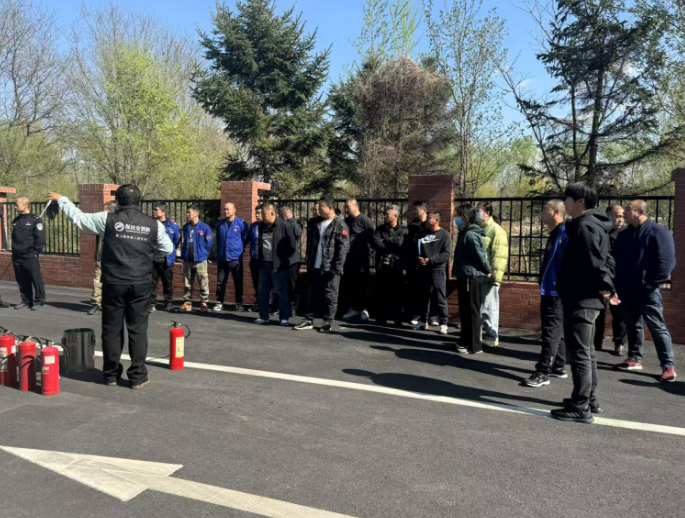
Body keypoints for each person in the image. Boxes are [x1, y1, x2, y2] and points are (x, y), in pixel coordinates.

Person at [48, 187, 173, 389]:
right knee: (138, 330)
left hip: (114, 282)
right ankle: (138, 377)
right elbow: (167, 248)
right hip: (141, 283)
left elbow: (79, 219)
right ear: (139, 201)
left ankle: (111, 375)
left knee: (112, 330)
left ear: (118, 202)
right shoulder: (154, 224)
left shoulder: (107, 219)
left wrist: (63, 200)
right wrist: (146, 254)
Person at [551, 182, 615, 423]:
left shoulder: (585, 226)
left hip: (582, 298)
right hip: (587, 298)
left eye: (568, 199)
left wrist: (604, 287)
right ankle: (589, 399)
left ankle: (580, 406)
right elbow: (607, 260)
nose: (565, 203)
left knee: (580, 353)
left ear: (580, 201)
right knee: (587, 352)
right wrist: (605, 287)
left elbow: (595, 263)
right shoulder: (596, 225)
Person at [614, 200, 677, 382]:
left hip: (647, 291)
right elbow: (616, 261)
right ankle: (634, 358)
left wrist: (650, 284)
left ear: (641, 212)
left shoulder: (658, 232)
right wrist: (617, 286)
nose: (624, 214)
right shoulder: (624, 235)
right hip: (627, 290)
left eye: (628, 210)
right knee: (632, 325)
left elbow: (666, 263)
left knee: (657, 327)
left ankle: (668, 366)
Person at [525, 200, 569, 387]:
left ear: (556, 212)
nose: (542, 213)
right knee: (557, 330)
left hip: (555, 291)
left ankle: (543, 372)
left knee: (550, 332)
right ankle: (559, 365)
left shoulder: (564, 234)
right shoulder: (555, 233)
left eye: (545, 210)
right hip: (550, 289)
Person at [295, 196, 350, 333]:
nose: (318, 209)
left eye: (321, 206)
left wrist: (336, 268)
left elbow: (342, 249)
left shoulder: (340, 224)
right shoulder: (316, 223)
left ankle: (327, 321)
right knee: (311, 294)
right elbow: (310, 244)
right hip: (315, 266)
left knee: (330, 296)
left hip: (330, 268)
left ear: (330, 208)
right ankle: (308, 319)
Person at [452, 205, 491, 353]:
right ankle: (465, 341)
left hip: (471, 277)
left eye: (458, 216)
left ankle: (474, 345)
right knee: (466, 311)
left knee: (471, 311)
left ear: (465, 217)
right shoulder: (466, 233)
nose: (456, 219)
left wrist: (487, 270)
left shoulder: (470, 235)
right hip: (466, 276)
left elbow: (479, 255)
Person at [254, 204, 298, 325]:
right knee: (262, 291)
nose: (262, 217)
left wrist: (283, 260)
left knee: (280, 292)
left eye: (264, 214)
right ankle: (264, 316)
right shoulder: (261, 226)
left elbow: (292, 246)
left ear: (272, 213)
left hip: (278, 265)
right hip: (264, 264)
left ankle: (284, 318)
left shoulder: (284, 226)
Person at [593, 204, 627, 355]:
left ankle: (619, 343)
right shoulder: (601, 231)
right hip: (601, 277)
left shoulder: (625, 234)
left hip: (618, 279)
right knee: (598, 311)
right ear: (608, 216)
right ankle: (596, 341)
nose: (621, 220)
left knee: (619, 314)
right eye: (617, 216)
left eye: (623, 216)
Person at [476, 202, 509, 347]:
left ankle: (491, 337)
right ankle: (478, 336)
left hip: (489, 276)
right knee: (480, 308)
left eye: (478, 211)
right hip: (478, 275)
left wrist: (494, 275)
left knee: (489, 308)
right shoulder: (480, 229)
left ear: (487, 213)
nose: (476, 214)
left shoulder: (496, 230)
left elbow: (499, 256)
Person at [414, 211, 452, 335]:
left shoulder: (444, 234)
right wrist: (419, 258)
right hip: (424, 270)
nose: (427, 220)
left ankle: (444, 323)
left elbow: (446, 254)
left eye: (430, 218)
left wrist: (431, 260)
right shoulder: (422, 234)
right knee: (423, 296)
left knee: (440, 297)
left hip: (438, 270)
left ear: (437, 220)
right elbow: (417, 250)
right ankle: (423, 321)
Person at [373, 205, 408, 327]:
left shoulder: (403, 230)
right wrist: (392, 241)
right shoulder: (380, 229)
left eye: (387, 214)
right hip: (382, 265)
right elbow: (376, 243)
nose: (385, 216)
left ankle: (397, 319)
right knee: (381, 293)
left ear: (395, 216)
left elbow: (401, 242)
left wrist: (386, 241)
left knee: (397, 294)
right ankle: (381, 318)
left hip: (397, 266)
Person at [342, 198, 375, 320]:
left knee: (363, 284)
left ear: (355, 206)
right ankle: (354, 308)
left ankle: (364, 309)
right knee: (351, 284)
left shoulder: (364, 220)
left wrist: (368, 252)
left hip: (361, 257)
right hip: (349, 258)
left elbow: (372, 238)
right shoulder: (346, 221)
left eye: (348, 206)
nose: (346, 209)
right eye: (345, 207)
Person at [11, 197, 46, 310]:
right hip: (17, 256)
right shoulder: (16, 220)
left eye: (17, 204)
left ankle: (39, 301)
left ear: (25, 205)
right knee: (21, 279)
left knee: (35, 278)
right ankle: (26, 300)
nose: (15, 207)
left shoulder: (36, 220)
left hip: (30, 255)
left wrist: (36, 252)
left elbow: (40, 239)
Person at [214, 202, 249, 312]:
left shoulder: (241, 223)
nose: (226, 211)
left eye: (228, 209)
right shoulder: (220, 224)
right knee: (220, 281)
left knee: (238, 281)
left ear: (234, 210)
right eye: (224, 209)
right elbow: (219, 239)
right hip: (223, 258)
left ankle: (239, 303)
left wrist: (238, 249)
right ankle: (219, 302)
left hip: (235, 258)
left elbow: (245, 239)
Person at [180, 204, 213, 313]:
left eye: (189, 212)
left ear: (196, 213)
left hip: (200, 260)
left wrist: (203, 254)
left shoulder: (205, 227)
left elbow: (209, 243)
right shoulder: (186, 227)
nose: (187, 215)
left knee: (203, 282)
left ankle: (204, 303)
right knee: (187, 283)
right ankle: (187, 303)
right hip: (188, 260)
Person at [88, 201, 118, 315]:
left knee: (114, 282)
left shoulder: (118, 225)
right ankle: (96, 303)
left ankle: (112, 304)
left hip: (114, 259)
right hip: (101, 257)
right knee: (97, 281)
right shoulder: (100, 223)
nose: (103, 213)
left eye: (106, 210)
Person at [151, 202, 180, 312]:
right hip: (153, 259)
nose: (154, 211)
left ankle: (168, 303)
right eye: (153, 209)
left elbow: (176, 241)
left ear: (163, 212)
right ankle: (151, 303)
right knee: (152, 283)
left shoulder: (172, 225)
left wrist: (169, 251)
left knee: (167, 283)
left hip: (167, 260)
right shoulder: (151, 224)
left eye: (156, 210)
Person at [406, 200, 429, 325]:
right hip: (413, 262)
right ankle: (414, 314)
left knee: (426, 290)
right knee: (414, 289)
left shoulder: (429, 225)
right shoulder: (412, 226)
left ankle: (427, 315)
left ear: (423, 210)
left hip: (426, 263)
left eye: (416, 209)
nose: (414, 212)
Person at [280, 206, 303, 314]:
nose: (283, 217)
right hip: (282, 259)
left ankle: (293, 307)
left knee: (293, 284)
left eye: (284, 215)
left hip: (293, 259)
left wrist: (290, 221)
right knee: (282, 284)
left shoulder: (295, 223)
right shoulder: (281, 225)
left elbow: (299, 233)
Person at [248, 205, 263, 312]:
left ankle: (268, 303)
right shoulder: (253, 226)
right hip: (254, 259)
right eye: (256, 213)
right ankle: (258, 302)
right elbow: (247, 239)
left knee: (266, 283)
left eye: (259, 213)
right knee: (256, 282)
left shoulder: (270, 226)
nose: (257, 215)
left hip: (265, 260)